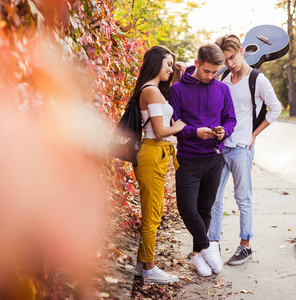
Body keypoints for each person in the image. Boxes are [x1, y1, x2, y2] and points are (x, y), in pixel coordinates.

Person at [208, 34, 282, 266]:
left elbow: (276, 109)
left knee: (243, 199)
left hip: (241, 148)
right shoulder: (224, 77)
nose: (229, 64)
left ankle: (245, 246)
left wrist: (254, 134)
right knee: (213, 199)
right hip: (220, 147)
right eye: (225, 61)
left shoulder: (257, 80)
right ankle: (212, 244)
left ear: (241, 50)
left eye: (231, 58)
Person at [170, 44, 237, 277]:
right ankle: (208, 247)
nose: (210, 76)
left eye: (215, 72)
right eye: (207, 71)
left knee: (205, 208)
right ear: (197, 63)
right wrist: (194, 132)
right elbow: (174, 124)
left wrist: (223, 132)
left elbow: (230, 119)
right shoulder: (177, 89)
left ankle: (196, 255)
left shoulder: (222, 89)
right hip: (188, 158)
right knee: (187, 209)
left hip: (214, 158)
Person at [132, 45, 187, 284]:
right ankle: (149, 269)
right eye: (168, 64)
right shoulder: (151, 91)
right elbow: (161, 130)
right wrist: (180, 126)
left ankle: (141, 264)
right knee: (152, 214)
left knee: (152, 210)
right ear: (156, 64)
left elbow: (161, 113)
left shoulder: (152, 89)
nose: (170, 68)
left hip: (156, 153)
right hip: (153, 152)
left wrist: (176, 78)